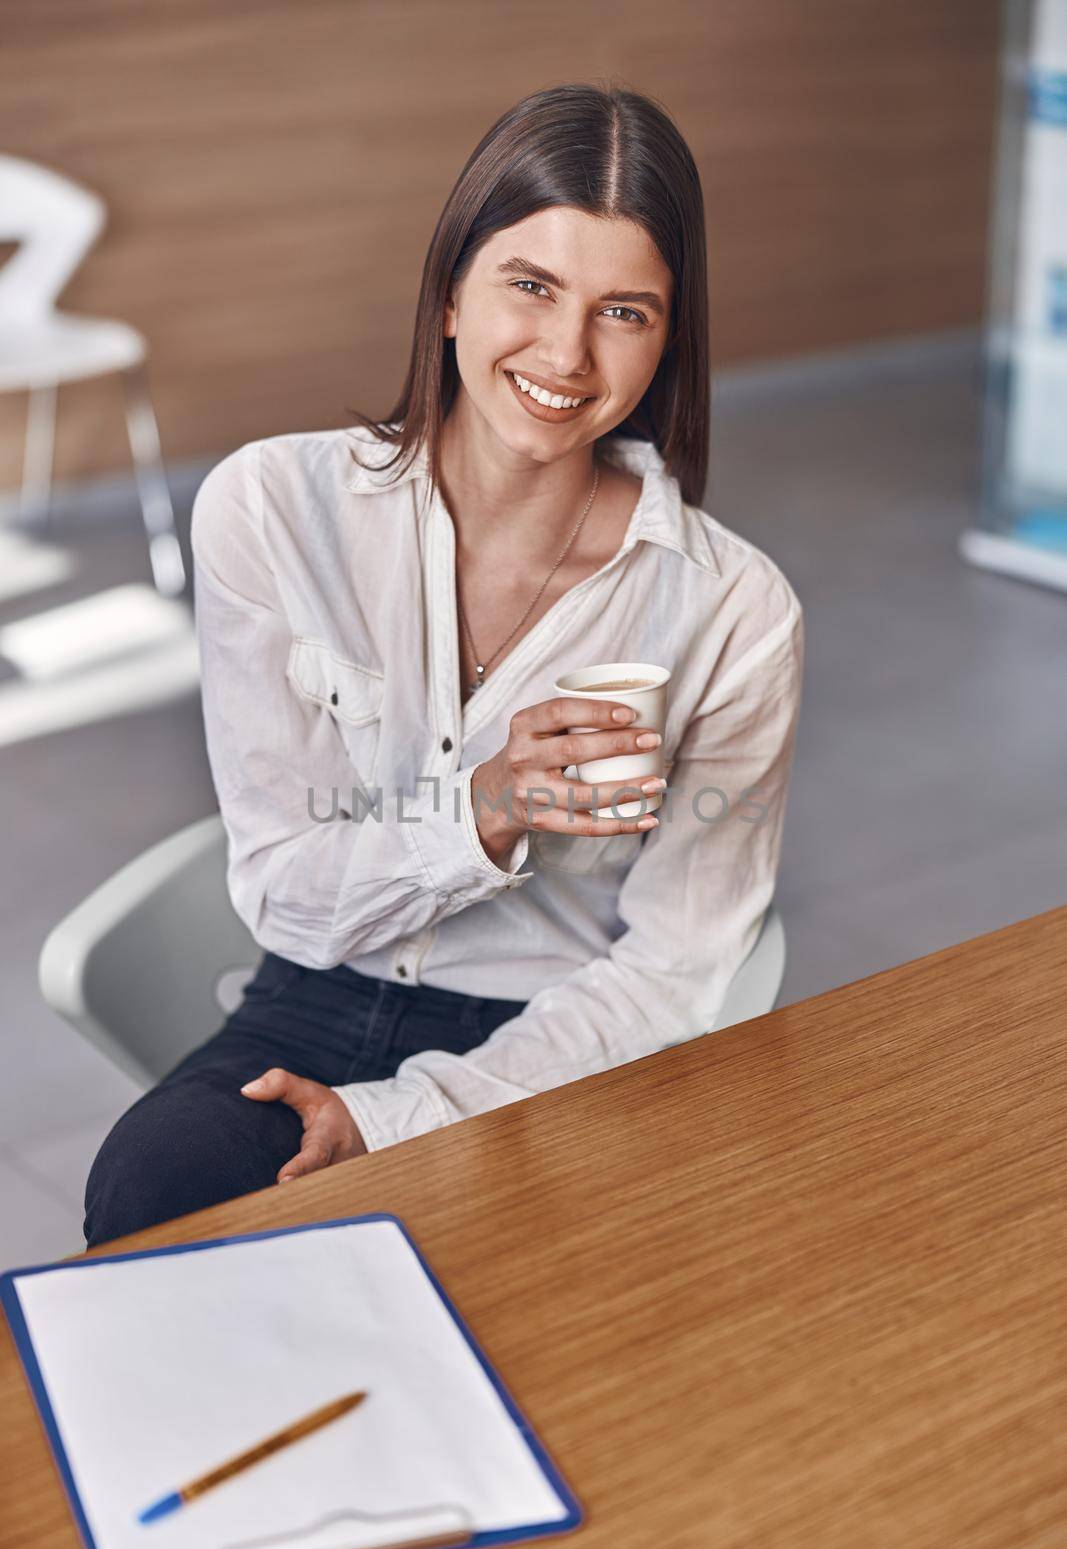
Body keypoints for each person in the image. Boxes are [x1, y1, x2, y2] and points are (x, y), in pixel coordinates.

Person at [84, 81, 804, 1248]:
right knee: (157, 1189)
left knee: (528, 1306)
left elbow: (678, 965)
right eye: (531, 285)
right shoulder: (273, 508)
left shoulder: (734, 608)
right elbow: (283, 890)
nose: (565, 353)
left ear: (668, 340)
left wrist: (401, 1116)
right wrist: (482, 811)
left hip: (555, 1029)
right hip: (309, 992)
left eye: (624, 312)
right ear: (452, 294)